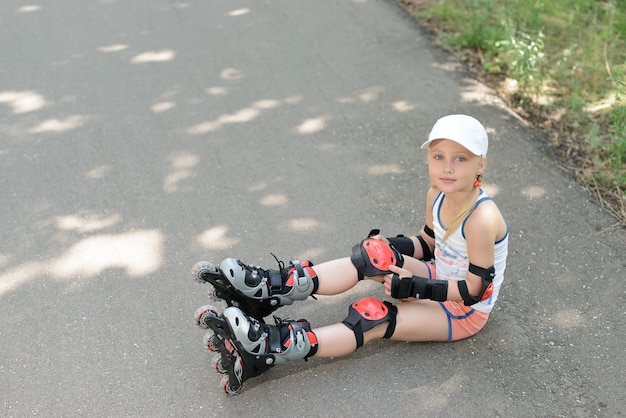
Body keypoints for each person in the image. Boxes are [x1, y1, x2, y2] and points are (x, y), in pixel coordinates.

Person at [206, 114, 509, 368]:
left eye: (460, 158)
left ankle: (274, 345)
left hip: (463, 311)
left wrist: (414, 287)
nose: (447, 167)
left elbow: (475, 291)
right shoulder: (437, 194)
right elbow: (428, 244)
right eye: (439, 157)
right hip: (439, 277)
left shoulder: (482, 217)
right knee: (372, 254)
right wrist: (389, 246)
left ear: (480, 165)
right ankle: (271, 289)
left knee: (374, 317)